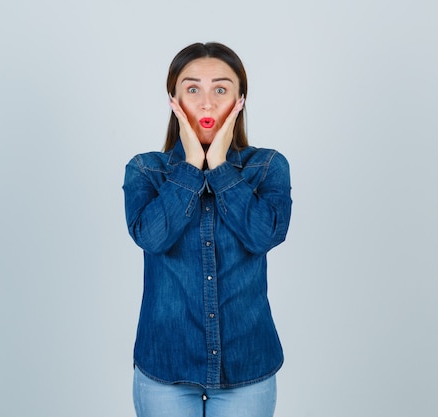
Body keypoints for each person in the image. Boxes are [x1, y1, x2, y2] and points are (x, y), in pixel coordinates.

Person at [122, 42, 293, 417]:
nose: (206, 103)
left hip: (247, 368)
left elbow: (264, 236)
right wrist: (189, 167)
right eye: (192, 88)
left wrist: (218, 166)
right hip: (164, 369)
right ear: (174, 99)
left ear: (240, 100)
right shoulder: (145, 170)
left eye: (220, 89)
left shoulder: (266, 167)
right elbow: (151, 237)